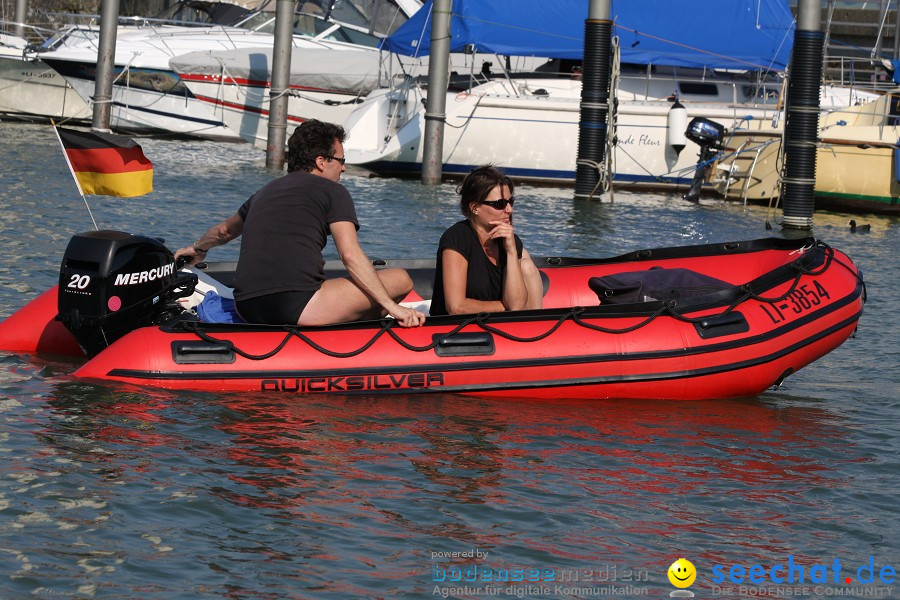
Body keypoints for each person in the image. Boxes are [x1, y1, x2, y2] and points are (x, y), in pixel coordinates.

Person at [174, 120, 426, 328]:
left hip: (247, 308)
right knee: (401, 279)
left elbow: (224, 231)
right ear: (321, 161)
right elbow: (350, 254)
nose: (344, 168)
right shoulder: (333, 191)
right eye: (340, 160)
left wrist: (196, 249)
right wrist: (394, 308)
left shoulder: (264, 192)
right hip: (297, 307)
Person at [430, 165, 544, 316]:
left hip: (497, 328)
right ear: (475, 207)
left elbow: (516, 305)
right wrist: (505, 308)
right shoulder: (457, 237)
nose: (509, 210)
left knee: (526, 264)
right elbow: (456, 307)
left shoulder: (511, 241)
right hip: (455, 331)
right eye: (500, 204)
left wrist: (511, 251)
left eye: (511, 202)